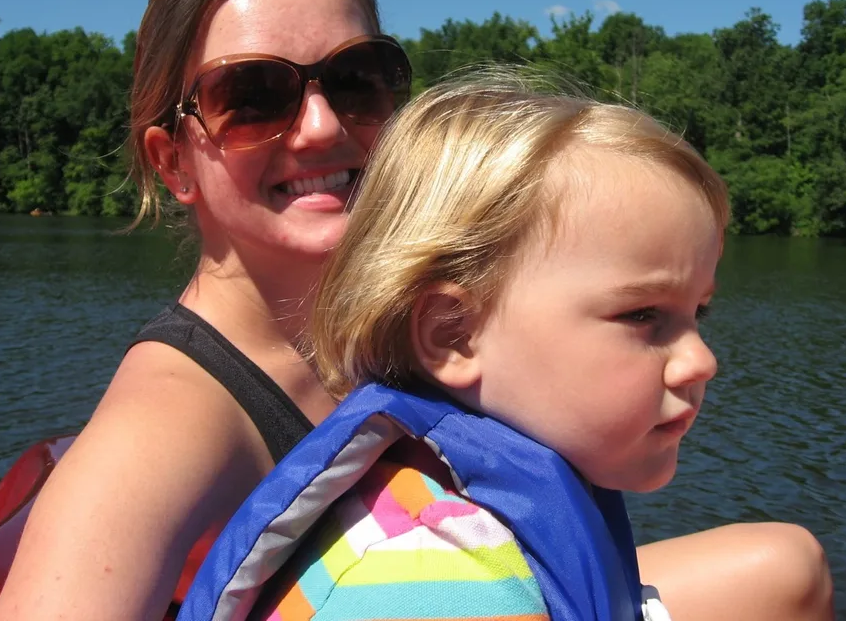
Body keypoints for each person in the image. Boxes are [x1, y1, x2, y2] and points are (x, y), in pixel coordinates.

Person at [0, 0, 833, 621]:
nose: (321, 127)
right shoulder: (165, 424)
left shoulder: (407, 321)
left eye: (357, 81)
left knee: (784, 567)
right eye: (253, 96)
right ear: (174, 162)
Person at [179, 68, 729, 621]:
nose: (701, 361)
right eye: (643, 314)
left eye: (697, 313)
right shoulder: (432, 584)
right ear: (453, 335)